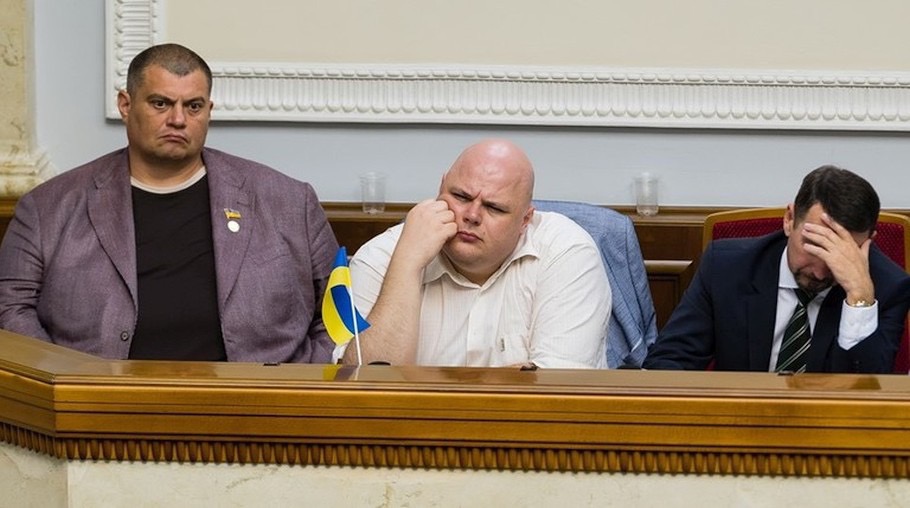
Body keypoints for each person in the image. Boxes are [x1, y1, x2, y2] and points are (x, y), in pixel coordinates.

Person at [0, 43, 338, 362]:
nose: (178, 119)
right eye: (160, 103)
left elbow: (338, 317)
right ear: (125, 105)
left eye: (193, 106)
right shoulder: (48, 207)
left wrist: (299, 387)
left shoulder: (289, 202)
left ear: (208, 111)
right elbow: (10, 308)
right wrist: (65, 384)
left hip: (258, 397)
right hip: (97, 395)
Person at [337, 139, 612, 368]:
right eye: (461, 197)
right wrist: (407, 265)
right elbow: (362, 389)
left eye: (494, 208)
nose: (471, 215)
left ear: (525, 220)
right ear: (440, 189)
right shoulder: (381, 256)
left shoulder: (567, 251)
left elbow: (558, 394)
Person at [644, 165, 910, 373]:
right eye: (814, 245)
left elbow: (870, 395)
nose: (820, 273)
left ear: (867, 243)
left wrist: (860, 299)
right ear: (789, 220)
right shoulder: (727, 267)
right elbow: (668, 361)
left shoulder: (887, 287)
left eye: (840, 255)